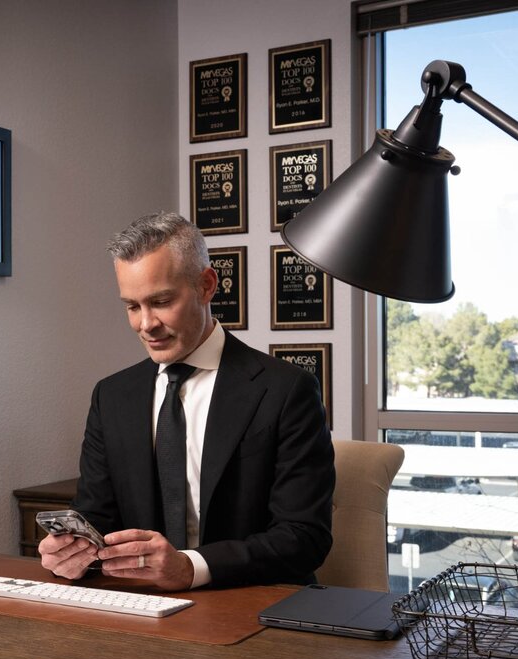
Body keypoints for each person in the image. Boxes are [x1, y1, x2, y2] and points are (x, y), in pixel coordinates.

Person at [39, 212, 334, 591]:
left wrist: (189, 567)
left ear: (206, 285)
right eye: (132, 306)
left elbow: (304, 538)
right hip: (140, 606)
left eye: (161, 301)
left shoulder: (287, 390)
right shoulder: (111, 396)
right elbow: (96, 516)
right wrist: (69, 551)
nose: (146, 324)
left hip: (252, 604)